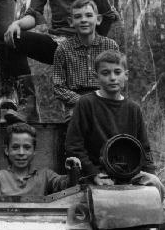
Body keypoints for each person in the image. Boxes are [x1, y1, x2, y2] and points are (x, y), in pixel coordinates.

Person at [65, 50, 164, 195]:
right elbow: (73, 146)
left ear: (126, 75)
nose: (112, 78)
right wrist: (93, 173)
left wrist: (151, 175)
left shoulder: (133, 109)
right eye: (105, 73)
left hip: (129, 174)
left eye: (117, 72)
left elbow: (144, 148)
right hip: (97, 174)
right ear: (96, 77)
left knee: (155, 187)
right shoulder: (86, 103)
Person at [0, 123, 80, 201]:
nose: (21, 152)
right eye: (15, 147)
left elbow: (67, 187)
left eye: (27, 147)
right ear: (7, 150)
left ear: (34, 151)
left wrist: (73, 171)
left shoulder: (46, 175)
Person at [53, 0, 119, 117]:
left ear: (98, 19)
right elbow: (58, 87)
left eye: (89, 15)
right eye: (78, 16)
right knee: (78, 124)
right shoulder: (63, 49)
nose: (84, 20)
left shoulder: (110, 46)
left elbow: (116, 78)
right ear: (71, 21)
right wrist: (83, 101)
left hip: (105, 100)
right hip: (76, 105)